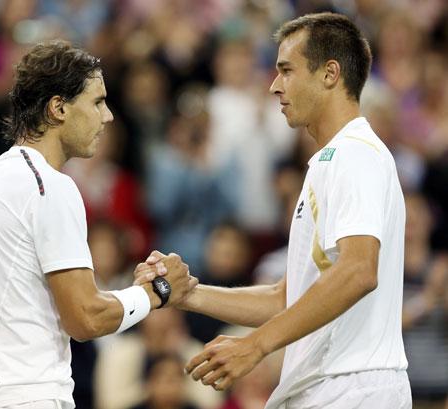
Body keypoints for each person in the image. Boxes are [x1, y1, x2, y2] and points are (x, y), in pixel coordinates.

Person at [141, 12, 411, 409]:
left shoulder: (355, 155)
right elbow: (286, 297)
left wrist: (255, 346)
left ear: (330, 74)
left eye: (286, 70)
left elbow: (358, 270)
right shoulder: (331, 160)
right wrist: (189, 294)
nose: (273, 85)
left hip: (353, 388)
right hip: (327, 386)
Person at [0, 41, 195, 409]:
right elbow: (86, 318)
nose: (107, 116)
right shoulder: (49, 187)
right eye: (97, 102)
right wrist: (156, 292)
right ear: (58, 108)